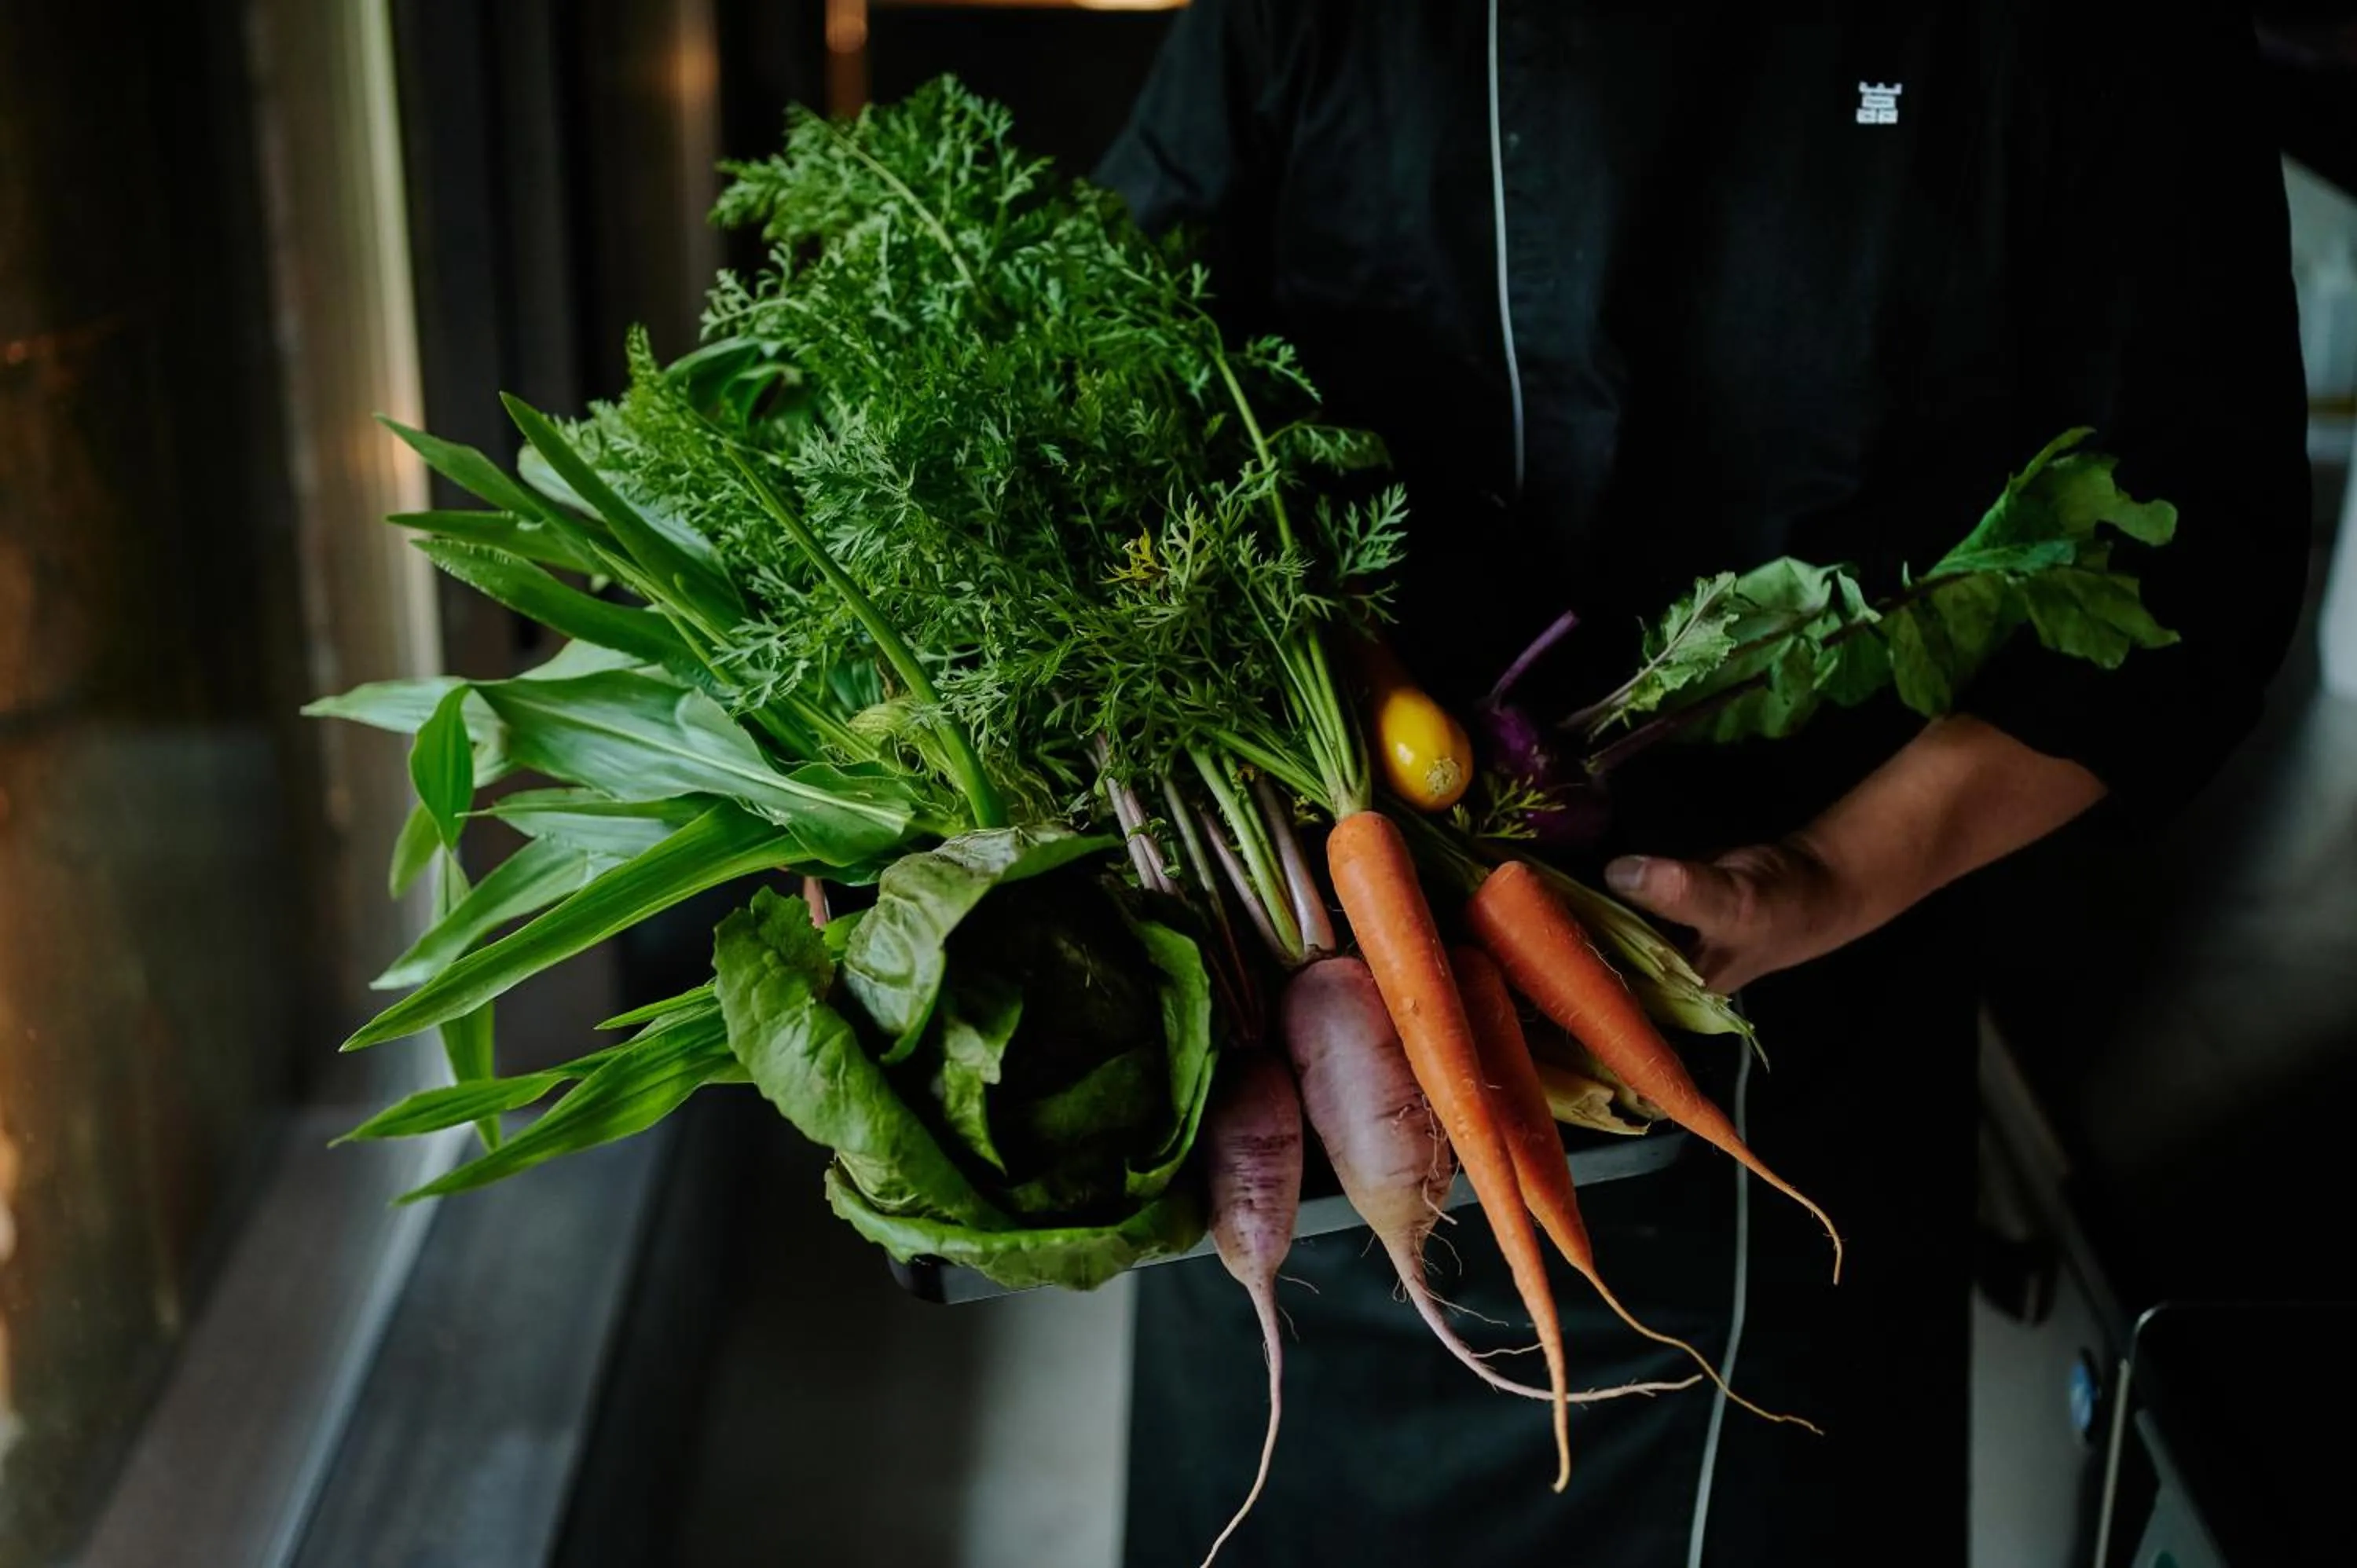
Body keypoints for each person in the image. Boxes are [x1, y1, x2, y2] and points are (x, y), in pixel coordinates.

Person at [1093, 4, 2311, 1563]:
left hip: (1793, 1078)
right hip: (1321, 1049)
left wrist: (1824, 875)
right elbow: (1114, 349)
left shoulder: (2092, 42)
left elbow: (2187, 560)